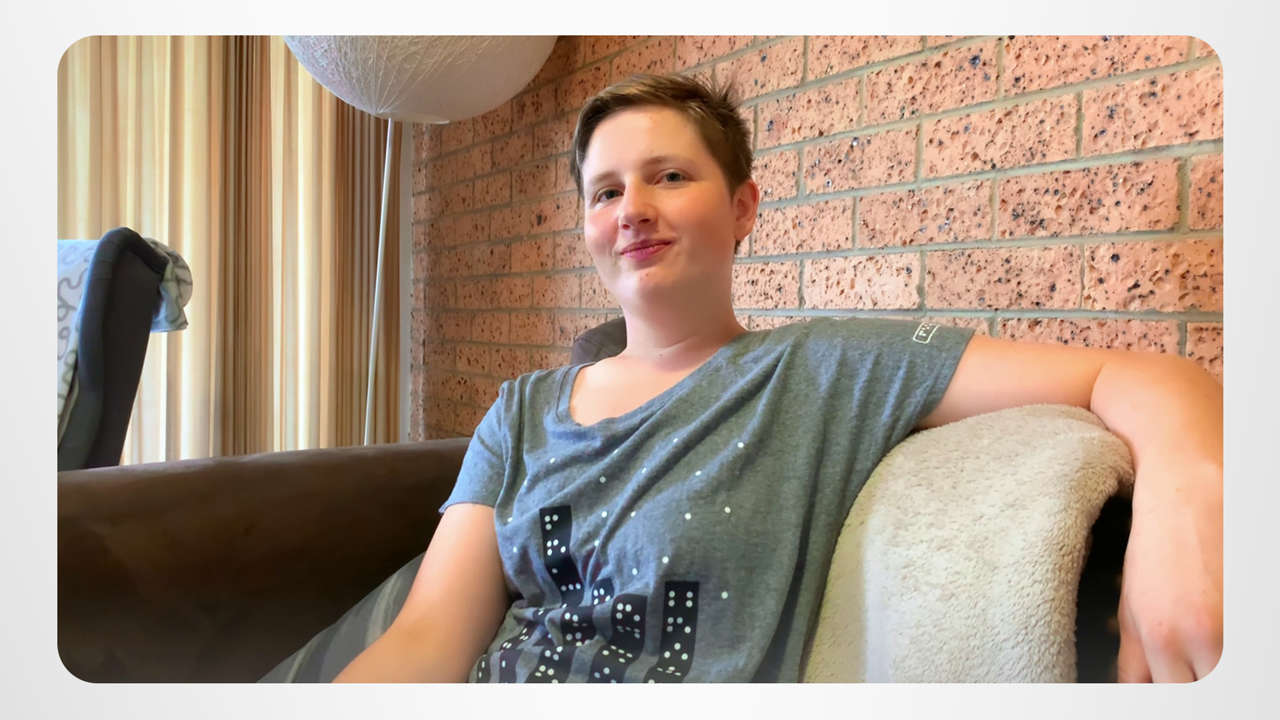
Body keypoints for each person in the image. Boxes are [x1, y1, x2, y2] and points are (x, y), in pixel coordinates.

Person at [334, 73, 1223, 683]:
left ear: (742, 207)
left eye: (669, 176)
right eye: (605, 192)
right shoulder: (519, 411)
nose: (632, 209)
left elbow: (1136, 375)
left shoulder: (825, 368)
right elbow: (428, 638)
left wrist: (1186, 501)